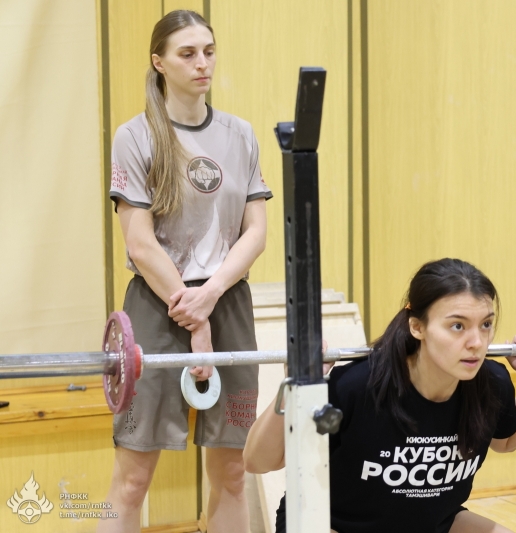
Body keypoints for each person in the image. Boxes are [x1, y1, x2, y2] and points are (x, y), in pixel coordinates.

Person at [100, 10, 271, 533]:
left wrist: (212, 294)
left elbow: (256, 232)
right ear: (159, 62)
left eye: (209, 52)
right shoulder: (134, 136)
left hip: (228, 301)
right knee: (133, 478)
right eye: (187, 53)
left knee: (233, 473)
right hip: (157, 306)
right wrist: (193, 314)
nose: (202, 64)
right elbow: (140, 243)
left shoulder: (240, 134)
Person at [244, 258, 516, 533]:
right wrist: (293, 384)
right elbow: (257, 461)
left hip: (431, 524)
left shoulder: (490, 383)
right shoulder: (356, 387)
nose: (477, 342)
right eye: (458, 326)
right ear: (417, 326)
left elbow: (505, 442)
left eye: (486, 324)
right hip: (329, 523)